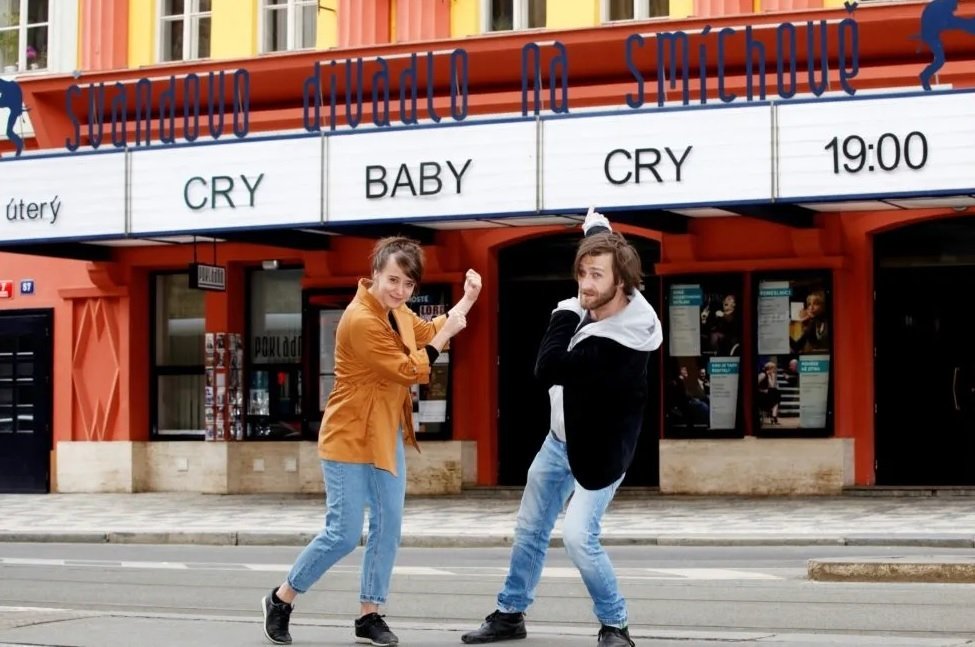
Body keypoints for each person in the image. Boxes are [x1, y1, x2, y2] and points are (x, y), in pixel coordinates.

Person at [261, 236, 482, 646]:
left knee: (388, 527)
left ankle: (369, 614)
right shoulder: (360, 319)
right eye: (394, 280)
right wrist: (445, 333)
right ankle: (282, 598)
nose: (400, 290)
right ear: (375, 273)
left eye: (408, 285)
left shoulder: (395, 312)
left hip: (384, 435)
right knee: (342, 534)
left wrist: (467, 300)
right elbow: (408, 368)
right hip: (348, 437)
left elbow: (430, 330)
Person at [461, 211, 662, 647]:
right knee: (531, 526)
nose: (585, 284)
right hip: (560, 441)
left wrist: (567, 310)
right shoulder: (607, 280)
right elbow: (601, 238)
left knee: (578, 537)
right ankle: (511, 615)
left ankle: (616, 625)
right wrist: (595, 225)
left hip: (601, 451)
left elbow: (546, 367)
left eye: (595, 276)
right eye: (581, 274)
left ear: (622, 283)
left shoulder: (623, 343)